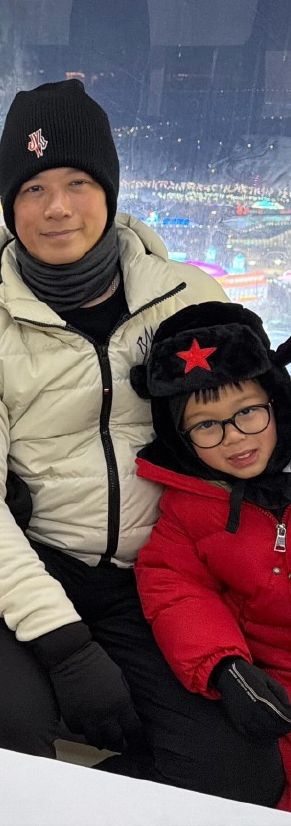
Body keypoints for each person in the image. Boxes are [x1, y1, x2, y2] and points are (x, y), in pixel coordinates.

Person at [0, 79, 284, 806]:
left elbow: (258, 425)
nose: (56, 208)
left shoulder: (187, 298)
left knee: (236, 775)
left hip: (159, 577)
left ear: (109, 192)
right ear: (9, 205)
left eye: (77, 183)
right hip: (33, 564)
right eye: (33, 189)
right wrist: (64, 645)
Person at [132, 301, 291, 810]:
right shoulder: (188, 510)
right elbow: (176, 590)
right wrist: (224, 666)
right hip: (270, 690)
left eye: (248, 412)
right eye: (206, 425)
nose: (235, 437)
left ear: (276, 402)